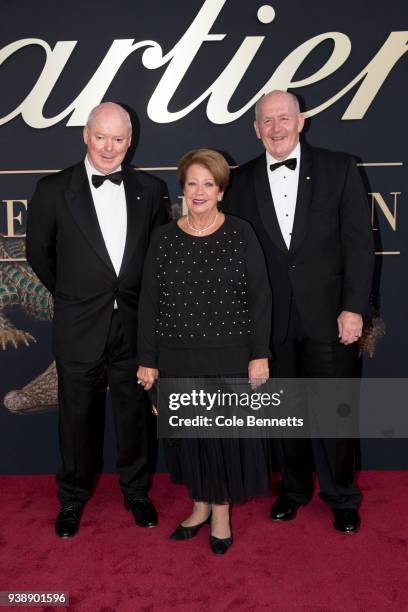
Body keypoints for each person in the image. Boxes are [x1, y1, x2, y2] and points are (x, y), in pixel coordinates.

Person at [223, 90, 374, 533]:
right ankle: (292, 490)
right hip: (272, 320)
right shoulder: (241, 180)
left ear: (301, 121)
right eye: (266, 121)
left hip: (330, 315)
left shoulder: (339, 168)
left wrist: (353, 308)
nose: (276, 128)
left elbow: (359, 246)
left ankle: (341, 496)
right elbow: (235, 256)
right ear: (255, 128)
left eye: (284, 118)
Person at [26, 102, 169, 538]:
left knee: (135, 416)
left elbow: (159, 258)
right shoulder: (53, 189)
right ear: (86, 136)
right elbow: (39, 255)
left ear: (131, 140)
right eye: (101, 137)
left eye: (119, 139)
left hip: (132, 322)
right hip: (78, 322)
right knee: (75, 417)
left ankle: (136, 492)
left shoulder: (150, 189)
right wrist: (74, 295)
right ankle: (72, 498)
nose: (110, 147)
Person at [137, 149, 272, 554]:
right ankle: (198, 506)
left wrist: (259, 353)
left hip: (230, 355)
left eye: (208, 183)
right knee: (190, 439)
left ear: (220, 191)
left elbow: (260, 298)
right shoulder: (163, 238)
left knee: (222, 438)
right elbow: (148, 303)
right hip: (177, 355)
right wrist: (148, 359)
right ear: (183, 188)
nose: (199, 191)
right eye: (192, 183)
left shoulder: (240, 232)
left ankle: (221, 514)